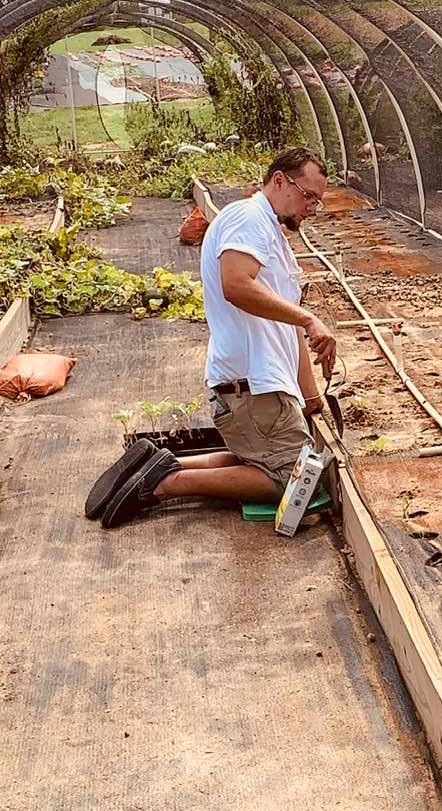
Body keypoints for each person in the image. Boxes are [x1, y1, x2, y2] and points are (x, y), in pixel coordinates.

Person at [85, 146, 337, 529]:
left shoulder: (270, 232)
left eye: (318, 202)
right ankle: (166, 485)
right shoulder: (248, 217)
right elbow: (236, 285)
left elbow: (287, 328)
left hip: (255, 388)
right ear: (280, 180)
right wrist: (309, 318)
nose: (311, 209)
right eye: (309, 197)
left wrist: (312, 398)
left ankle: (157, 463)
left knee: (259, 458)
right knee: (294, 477)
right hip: (251, 390)